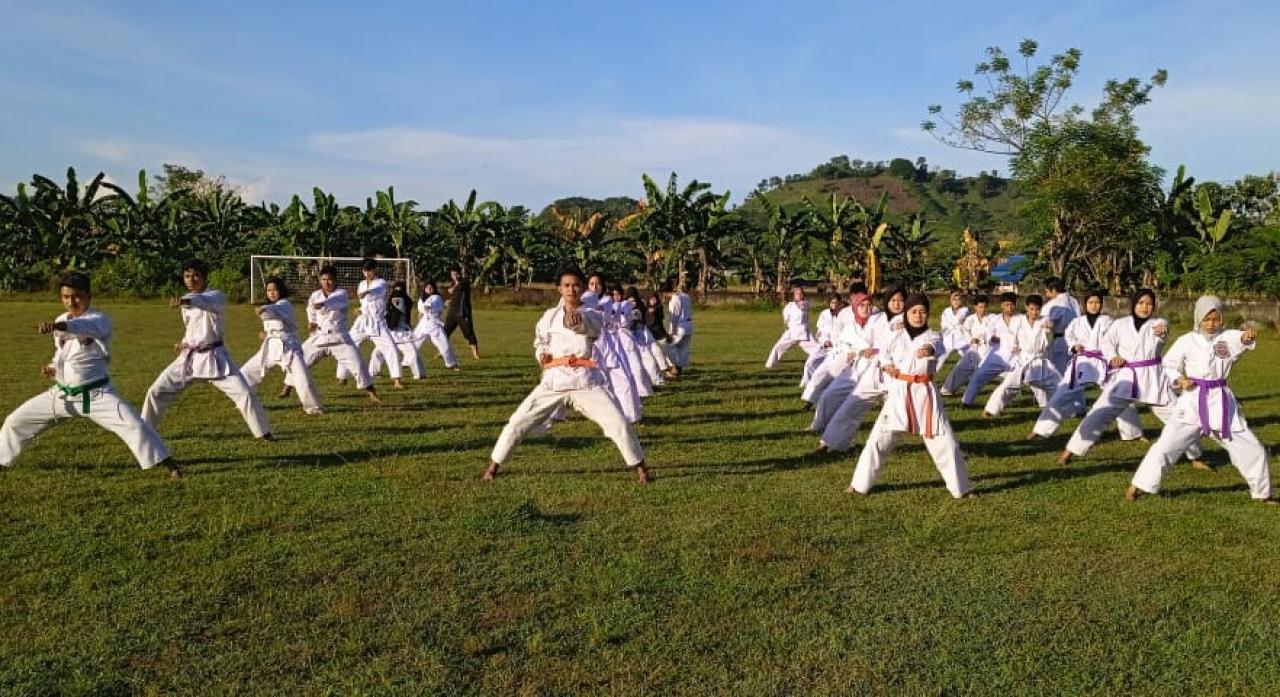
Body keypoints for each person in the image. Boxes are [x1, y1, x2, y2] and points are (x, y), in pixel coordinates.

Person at [484, 264, 651, 484]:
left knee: (618, 423)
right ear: (559, 289)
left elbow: (591, 327)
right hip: (554, 380)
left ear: (582, 288)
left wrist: (577, 320)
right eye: (567, 285)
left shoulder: (591, 314)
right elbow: (540, 343)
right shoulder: (548, 317)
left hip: (585, 381)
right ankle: (493, 467)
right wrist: (542, 355)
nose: (571, 289)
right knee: (518, 422)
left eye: (576, 285)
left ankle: (641, 469)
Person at [1, 272, 178, 478]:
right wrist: (53, 367)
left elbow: (82, 326)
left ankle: (170, 465)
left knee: (135, 425)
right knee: (15, 421)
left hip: (96, 394)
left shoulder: (99, 320)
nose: (71, 302)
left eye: (76, 296)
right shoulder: (61, 319)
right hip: (62, 395)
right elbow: (62, 353)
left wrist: (58, 327)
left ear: (88, 296)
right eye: (66, 297)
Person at [1127, 296, 1274, 503]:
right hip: (1192, 401)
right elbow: (1168, 365)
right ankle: (1137, 486)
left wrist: (1247, 336)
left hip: (1221, 403)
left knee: (1253, 449)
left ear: (1221, 318)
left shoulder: (1228, 337)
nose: (1211, 323)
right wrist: (1179, 379)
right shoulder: (1186, 340)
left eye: (1215, 319)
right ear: (1198, 318)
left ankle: (1263, 494)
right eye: (1207, 319)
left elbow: (1242, 339)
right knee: (1166, 445)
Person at [848, 294, 973, 499]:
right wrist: (887, 365)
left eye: (922, 312)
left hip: (925, 395)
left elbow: (935, 346)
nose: (918, 315)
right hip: (900, 392)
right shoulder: (896, 334)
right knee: (878, 440)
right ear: (906, 313)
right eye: (913, 311)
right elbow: (883, 353)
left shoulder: (933, 335)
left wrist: (928, 350)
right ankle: (859, 484)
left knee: (946, 444)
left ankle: (962, 489)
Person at [141, 259, 273, 440]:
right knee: (156, 391)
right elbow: (192, 328)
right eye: (187, 276)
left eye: (196, 275)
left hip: (215, 358)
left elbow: (202, 301)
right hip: (189, 358)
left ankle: (264, 433)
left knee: (245, 393)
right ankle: (145, 432)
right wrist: (184, 342)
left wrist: (185, 300)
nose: (191, 279)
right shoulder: (186, 301)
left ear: (204, 277)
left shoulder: (216, 296)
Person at [1058, 289, 1174, 465]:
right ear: (1134, 304)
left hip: (1153, 379)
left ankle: (1196, 456)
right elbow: (1107, 343)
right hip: (1125, 377)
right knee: (1099, 413)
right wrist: (1113, 357)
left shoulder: (1157, 325)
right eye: (1141, 303)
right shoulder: (1121, 324)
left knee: (1179, 418)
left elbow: (1163, 329)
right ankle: (1070, 451)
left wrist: (1163, 326)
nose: (1145, 307)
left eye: (1149, 304)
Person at [1028, 290, 1140, 440]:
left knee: (1120, 392)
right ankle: (1040, 430)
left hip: (1103, 361)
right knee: (1061, 394)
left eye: (1097, 302)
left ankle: (1133, 433)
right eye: (1091, 302)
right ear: (1085, 304)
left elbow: (1118, 337)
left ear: (1101, 304)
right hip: (1083, 361)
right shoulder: (1077, 322)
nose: (1094, 305)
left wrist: (1115, 355)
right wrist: (1074, 346)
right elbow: (1069, 336)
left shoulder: (1108, 321)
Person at [300, 265, 383, 403]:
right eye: (323, 279)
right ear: (320, 280)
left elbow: (335, 302)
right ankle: (287, 388)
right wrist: (312, 322)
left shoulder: (341, 293)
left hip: (339, 337)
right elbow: (310, 310)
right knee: (299, 361)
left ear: (335, 280)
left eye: (329, 279)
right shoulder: (315, 295)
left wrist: (323, 304)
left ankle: (372, 393)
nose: (326, 282)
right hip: (319, 336)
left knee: (358, 364)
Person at [242, 277, 323, 415]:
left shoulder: (285, 304)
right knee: (246, 372)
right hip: (271, 347)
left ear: (281, 290)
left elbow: (272, 311)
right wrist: (265, 334)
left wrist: (262, 308)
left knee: (302, 378)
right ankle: (245, 400)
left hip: (289, 347)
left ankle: (313, 408)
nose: (272, 293)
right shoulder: (270, 306)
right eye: (269, 290)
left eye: (274, 290)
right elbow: (271, 324)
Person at [982, 294, 1061, 417]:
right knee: (1007, 386)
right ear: (1026, 307)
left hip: (1039, 361)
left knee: (1058, 385)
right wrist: (1014, 346)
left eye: (1037, 309)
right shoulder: (1019, 320)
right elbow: (1012, 336)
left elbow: (1049, 329)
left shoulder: (1044, 320)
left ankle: (1072, 408)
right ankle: (990, 410)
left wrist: (1050, 326)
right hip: (1022, 359)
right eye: (1031, 309)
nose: (1034, 312)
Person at [338, 259, 404, 388]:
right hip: (362, 321)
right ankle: (342, 377)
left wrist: (368, 292)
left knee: (390, 348)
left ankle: (397, 380)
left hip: (377, 322)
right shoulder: (361, 284)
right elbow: (365, 303)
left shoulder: (381, 283)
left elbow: (377, 291)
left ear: (375, 270)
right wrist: (359, 309)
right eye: (365, 270)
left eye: (369, 270)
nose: (367, 273)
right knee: (347, 345)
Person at [961, 291, 1021, 407]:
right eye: (1007, 305)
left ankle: (1045, 403)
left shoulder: (1021, 319)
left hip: (1016, 357)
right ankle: (966, 402)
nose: (1009, 308)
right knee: (978, 376)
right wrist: (992, 338)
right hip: (997, 355)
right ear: (1002, 305)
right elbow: (988, 334)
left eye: (1012, 305)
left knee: (1030, 378)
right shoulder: (995, 320)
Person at [369, 280, 423, 380]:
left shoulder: (405, 300)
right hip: (390, 332)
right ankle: (373, 372)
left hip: (402, 332)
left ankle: (420, 374)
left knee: (412, 353)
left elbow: (401, 305)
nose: (397, 291)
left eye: (400, 289)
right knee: (378, 352)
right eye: (396, 289)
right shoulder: (388, 301)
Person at [940, 294, 989, 396]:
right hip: (974, 347)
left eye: (984, 307)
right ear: (975, 307)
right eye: (980, 307)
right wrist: (971, 339)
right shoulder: (970, 319)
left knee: (1001, 370)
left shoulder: (992, 319)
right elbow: (965, 331)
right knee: (961, 367)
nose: (982, 310)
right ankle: (947, 389)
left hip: (988, 349)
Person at [409, 279, 458, 370]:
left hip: (433, 323)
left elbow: (431, 306)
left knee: (444, 344)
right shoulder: (421, 299)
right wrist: (419, 322)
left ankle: (451, 364)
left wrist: (428, 307)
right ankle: (406, 362)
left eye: (431, 287)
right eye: (427, 287)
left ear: (434, 288)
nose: (429, 289)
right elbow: (420, 312)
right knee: (414, 342)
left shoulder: (436, 297)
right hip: (423, 323)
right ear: (424, 289)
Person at [764, 286, 815, 369]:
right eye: (798, 294)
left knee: (816, 349)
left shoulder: (805, 304)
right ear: (794, 295)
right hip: (791, 332)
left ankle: (822, 362)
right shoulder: (789, 306)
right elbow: (786, 319)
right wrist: (786, 327)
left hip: (804, 333)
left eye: (801, 293)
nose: (800, 295)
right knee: (778, 347)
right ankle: (769, 365)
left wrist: (798, 303)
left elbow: (802, 306)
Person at [626, 286, 667, 385]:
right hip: (628, 339)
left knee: (649, 358)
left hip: (640, 337)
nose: (632, 304)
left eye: (634, 301)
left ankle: (657, 379)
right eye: (629, 301)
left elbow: (647, 320)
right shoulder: (623, 309)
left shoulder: (641, 307)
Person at [1041, 276, 1081, 376]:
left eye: (1047, 291)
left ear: (1054, 290)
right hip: (1074, 341)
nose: (1046, 294)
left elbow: (1042, 324)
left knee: (1058, 373)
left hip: (1060, 340)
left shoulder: (1053, 304)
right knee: (1071, 372)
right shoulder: (1074, 301)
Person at [802, 294, 844, 388]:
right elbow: (820, 332)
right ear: (829, 303)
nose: (834, 305)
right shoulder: (824, 314)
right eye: (832, 303)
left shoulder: (844, 315)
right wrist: (825, 341)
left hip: (838, 348)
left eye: (836, 303)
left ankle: (828, 385)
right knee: (810, 363)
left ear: (840, 303)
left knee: (834, 369)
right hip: (824, 346)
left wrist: (835, 343)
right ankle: (809, 385)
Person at [444, 264, 480, 360]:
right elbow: (455, 295)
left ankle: (476, 354)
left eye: (456, 274)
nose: (454, 276)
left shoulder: (465, 282)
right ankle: (443, 351)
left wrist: (453, 286)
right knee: (444, 333)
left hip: (462, 313)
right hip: (452, 313)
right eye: (452, 274)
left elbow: (458, 287)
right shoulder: (453, 283)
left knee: (468, 333)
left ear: (460, 274)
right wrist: (449, 301)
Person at [663, 280, 693, 377]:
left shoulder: (674, 300)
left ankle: (673, 369)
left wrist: (671, 332)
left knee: (668, 347)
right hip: (689, 324)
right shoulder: (685, 296)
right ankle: (679, 369)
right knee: (682, 349)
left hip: (680, 326)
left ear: (666, 292)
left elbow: (674, 317)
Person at [937, 289, 971, 370]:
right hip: (948, 338)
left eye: (958, 299)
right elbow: (943, 324)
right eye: (954, 300)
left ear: (961, 300)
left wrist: (954, 325)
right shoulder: (946, 311)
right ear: (950, 300)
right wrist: (943, 330)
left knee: (970, 357)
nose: (956, 302)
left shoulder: (965, 310)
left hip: (962, 338)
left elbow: (961, 320)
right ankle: (932, 373)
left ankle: (975, 371)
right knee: (940, 358)